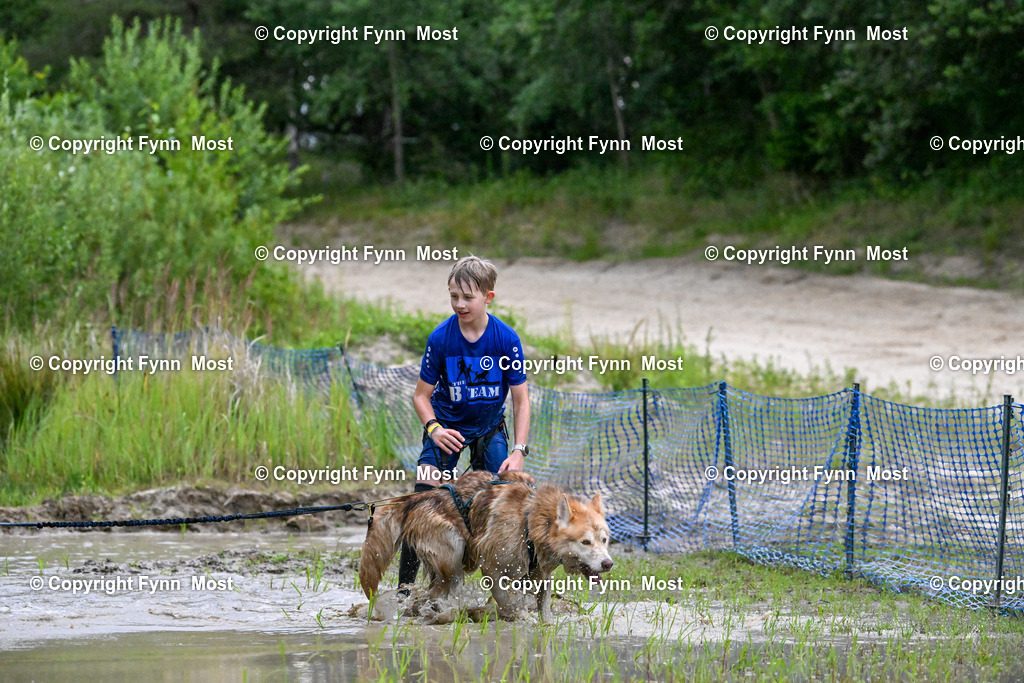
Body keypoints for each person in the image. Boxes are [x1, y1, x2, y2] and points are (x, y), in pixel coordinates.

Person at [397, 255, 531, 593]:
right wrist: (434, 429)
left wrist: (518, 451)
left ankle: (521, 585)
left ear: (488, 297)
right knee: (422, 498)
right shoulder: (440, 339)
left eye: (467, 297)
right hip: (446, 430)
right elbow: (420, 397)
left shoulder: (506, 340)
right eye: (453, 296)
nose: (459, 304)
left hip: (489, 430)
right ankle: (404, 589)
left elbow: (521, 401)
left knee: (509, 499)